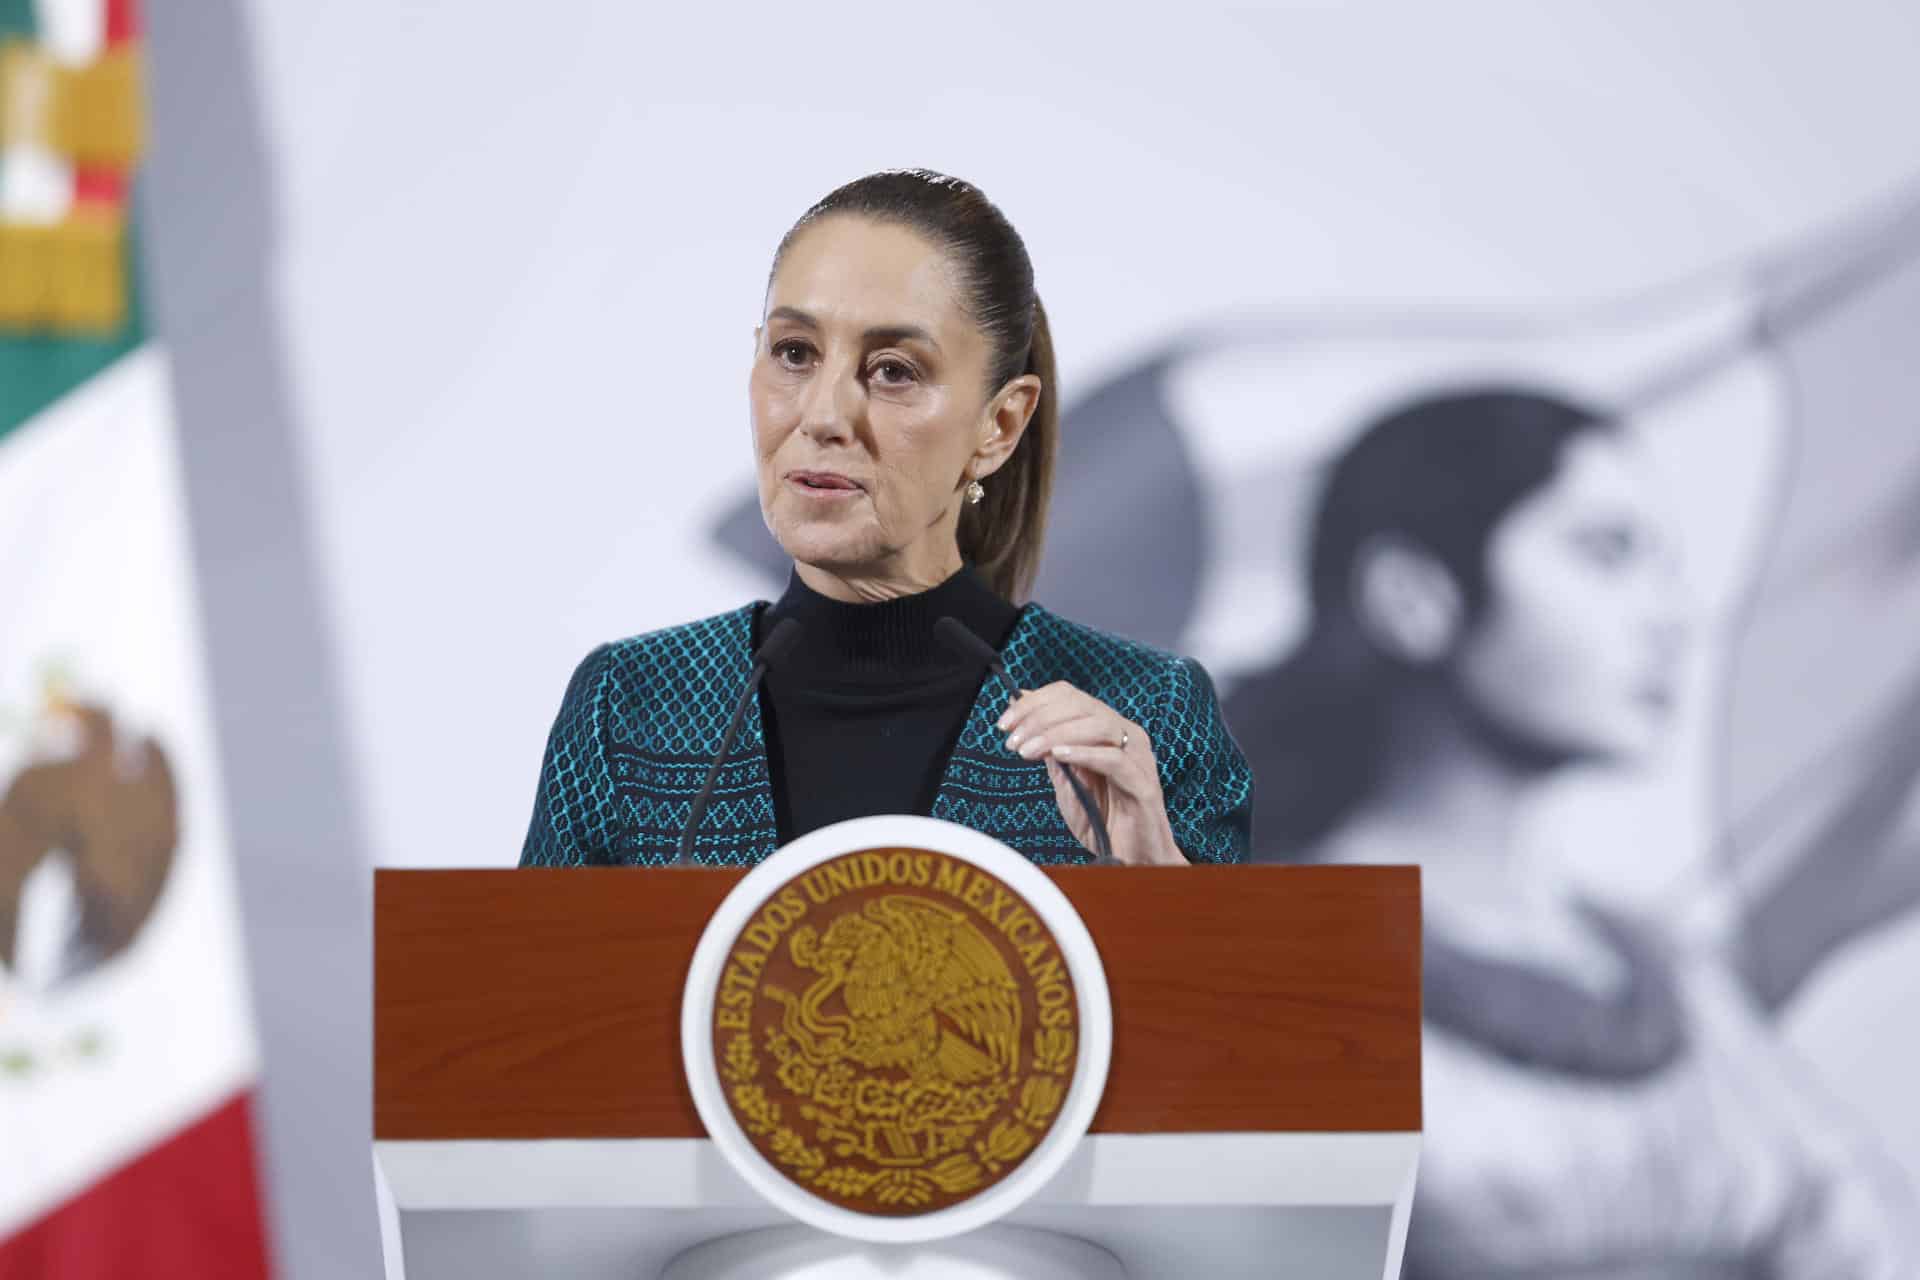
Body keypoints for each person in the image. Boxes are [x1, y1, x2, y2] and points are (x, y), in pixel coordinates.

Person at [1228, 389, 1918, 1278]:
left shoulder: (1683, 987)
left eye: (1666, 565)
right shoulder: (1254, 974)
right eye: (1605, 554)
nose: (1670, 617)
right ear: (1412, 595)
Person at [521, 170, 1251, 869]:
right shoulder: (631, 705)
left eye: (894, 370)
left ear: (999, 424)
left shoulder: (1142, 711)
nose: (824, 414)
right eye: (795, 353)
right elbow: (528, 996)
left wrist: (1155, 874)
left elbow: (1241, 997)